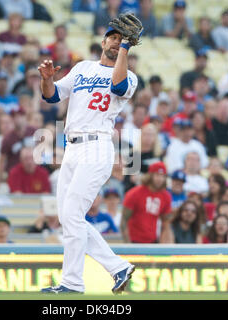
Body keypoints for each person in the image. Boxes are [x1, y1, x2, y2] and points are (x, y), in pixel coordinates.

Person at [39, 18, 143, 293]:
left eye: (122, 38)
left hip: (97, 146)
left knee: (73, 213)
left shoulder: (129, 76)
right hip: (72, 147)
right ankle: (117, 267)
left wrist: (124, 50)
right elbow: (52, 97)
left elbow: (118, 86)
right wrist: (47, 79)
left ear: (127, 45)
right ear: (103, 41)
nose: (116, 40)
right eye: (112, 36)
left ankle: (72, 282)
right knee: (68, 217)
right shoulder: (83, 67)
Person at [121, 162, 172, 243]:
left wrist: (167, 245)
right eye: (157, 175)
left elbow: (166, 223)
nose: (160, 179)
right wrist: (128, 245)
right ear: (150, 175)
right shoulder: (134, 193)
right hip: (134, 241)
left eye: (163, 176)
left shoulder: (166, 196)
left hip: (153, 242)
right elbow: (124, 221)